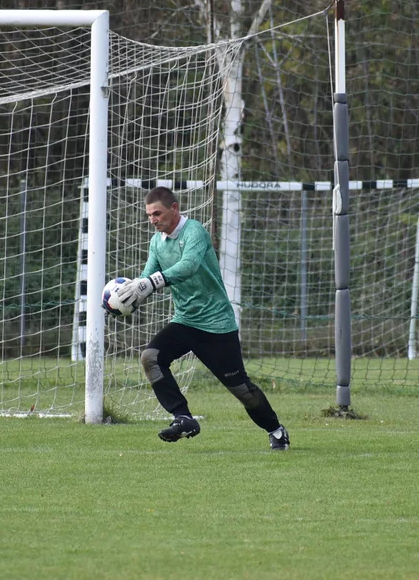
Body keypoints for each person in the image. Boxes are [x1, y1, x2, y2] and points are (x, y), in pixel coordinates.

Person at [115, 186, 290, 450]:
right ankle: (183, 417)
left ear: (174, 208)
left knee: (241, 389)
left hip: (216, 326)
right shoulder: (156, 242)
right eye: (149, 215)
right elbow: (147, 277)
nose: (153, 220)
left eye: (157, 214)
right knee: (151, 358)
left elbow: (189, 266)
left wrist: (151, 282)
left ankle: (276, 431)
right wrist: (127, 298)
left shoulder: (194, 231)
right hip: (185, 321)